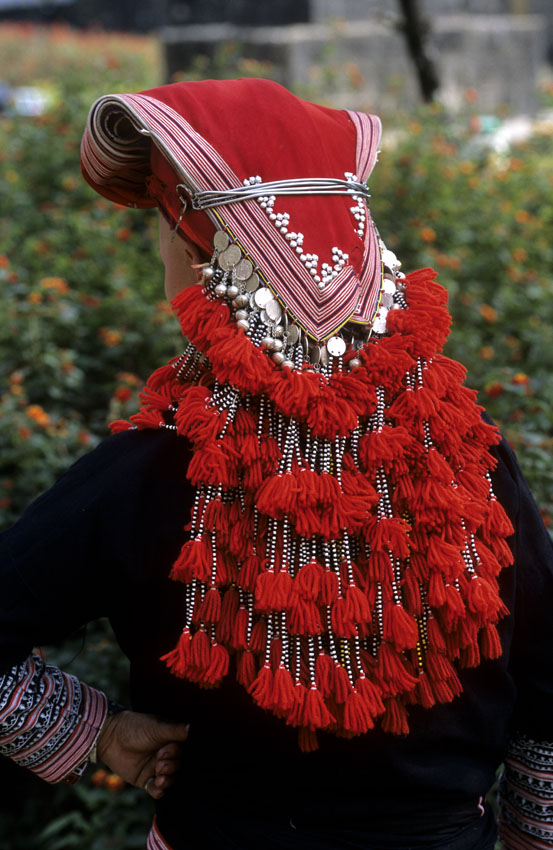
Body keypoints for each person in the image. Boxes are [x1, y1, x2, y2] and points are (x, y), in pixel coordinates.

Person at [1, 77, 553, 850]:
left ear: (199, 263)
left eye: (158, 232)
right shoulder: (467, 458)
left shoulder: (150, 470)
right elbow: (545, 685)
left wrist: (102, 733)